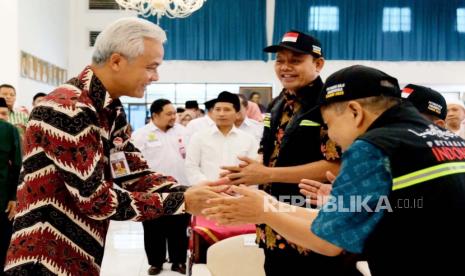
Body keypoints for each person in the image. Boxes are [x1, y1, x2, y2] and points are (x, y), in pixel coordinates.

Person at [3, 17, 225, 275]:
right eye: (151, 67)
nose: (156, 76)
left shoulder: (108, 109)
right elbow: (95, 200)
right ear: (117, 61)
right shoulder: (68, 109)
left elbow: (131, 171)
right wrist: (181, 201)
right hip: (44, 258)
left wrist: (195, 193)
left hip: (82, 253)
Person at [204, 65, 465, 276]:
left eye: (329, 124)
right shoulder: (444, 137)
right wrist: (271, 204)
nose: (331, 135)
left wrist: (264, 211)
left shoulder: (373, 146)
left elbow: (329, 242)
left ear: (354, 111)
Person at [219, 30, 353, 276]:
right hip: (272, 223)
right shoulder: (277, 102)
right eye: (280, 60)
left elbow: (335, 166)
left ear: (318, 64)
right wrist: (245, 174)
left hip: (311, 220)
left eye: (295, 60)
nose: (285, 67)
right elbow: (268, 151)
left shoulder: (328, 106)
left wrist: (267, 175)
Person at [132, 99, 190, 275]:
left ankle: (178, 261)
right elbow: (134, 162)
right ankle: (156, 262)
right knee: (153, 227)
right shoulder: (141, 134)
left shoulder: (183, 132)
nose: (174, 117)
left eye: (174, 113)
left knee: (179, 227)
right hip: (151, 189)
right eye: (169, 114)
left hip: (180, 186)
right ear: (155, 115)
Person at [185, 92, 258, 185]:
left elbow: (253, 170)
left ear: (237, 114)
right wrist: (208, 185)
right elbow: (191, 166)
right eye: (217, 109)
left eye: (227, 110)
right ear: (212, 112)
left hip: (238, 193)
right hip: (207, 193)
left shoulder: (248, 139)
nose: (221, 114)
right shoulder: (199, 137)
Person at [0, 98, 22, 274]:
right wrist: (14, 197)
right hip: (4, 197)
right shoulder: (10, 130)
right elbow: (17, 166)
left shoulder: (10, 130)